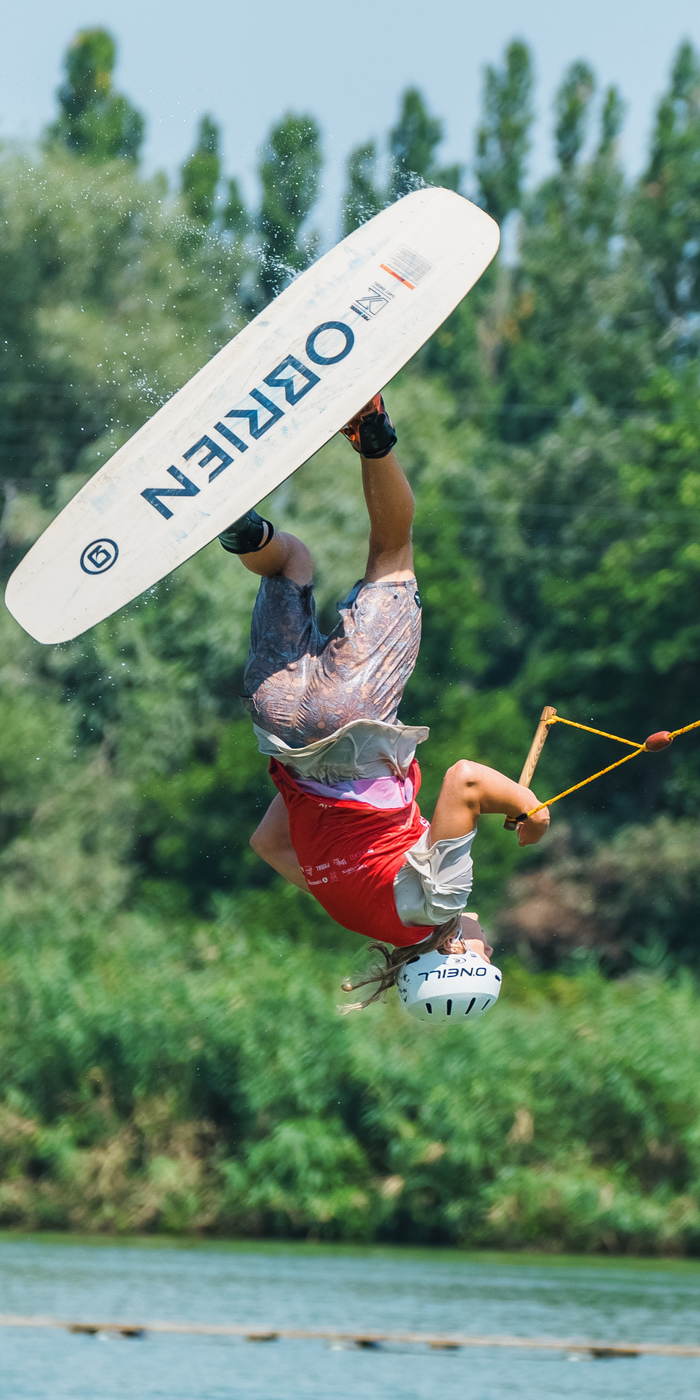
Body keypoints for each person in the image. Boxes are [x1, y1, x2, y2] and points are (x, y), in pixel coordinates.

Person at [217, 392, 546, 1016]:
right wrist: (319, 789)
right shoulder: (352, 911)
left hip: (353, 715)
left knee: (391, 555)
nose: (487, 941)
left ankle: (369, 427)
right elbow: (271, 844)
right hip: (279, 721)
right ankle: (246, 533)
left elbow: (466, 780)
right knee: (287, 564)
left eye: (484, 954)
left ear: (452, 957)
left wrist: (530, 809)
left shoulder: (439, 906)